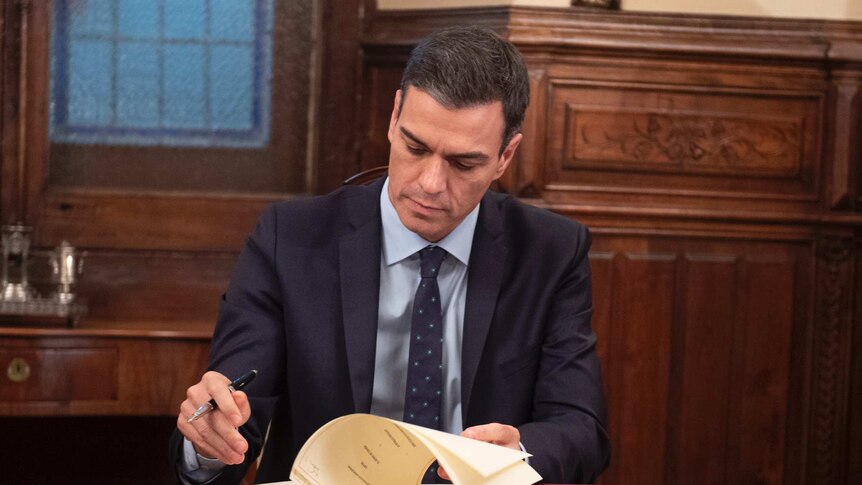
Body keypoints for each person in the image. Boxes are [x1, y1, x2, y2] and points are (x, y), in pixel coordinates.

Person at [170, 25, 610, 484]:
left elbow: (581, 431)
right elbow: (236, 414)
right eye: (416, 147)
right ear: (394, 115)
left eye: (464, 163)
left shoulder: (551, 252)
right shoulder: (291, 239)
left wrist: (515, 453)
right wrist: (210, 441)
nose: (430, 184)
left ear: (505, 156)